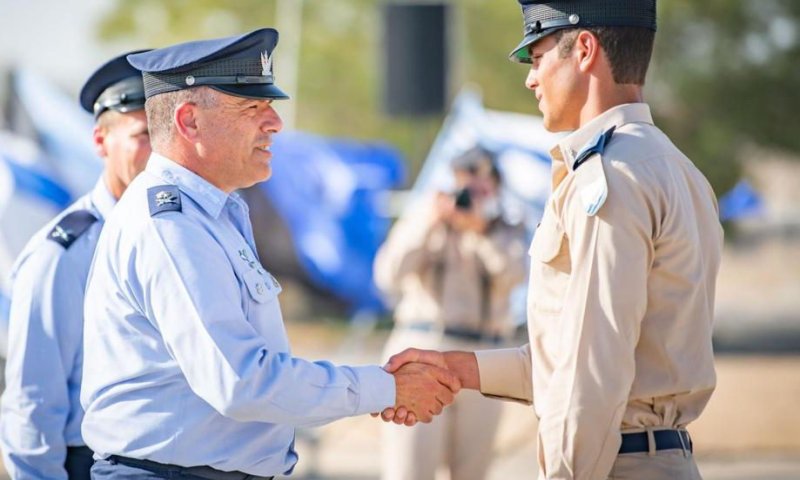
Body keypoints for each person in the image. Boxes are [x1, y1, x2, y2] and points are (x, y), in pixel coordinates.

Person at [79, 28, 459, 479]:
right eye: (251, 108)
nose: (274, 123)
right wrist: (387, 388)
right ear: (189, 121)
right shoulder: (172, 226)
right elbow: (242, 382)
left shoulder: (211, 213)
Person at [383, 1, 724, 479]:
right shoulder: (676, 169)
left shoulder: (611, 177)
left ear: (583, 49)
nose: (531, 78)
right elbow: (569, 360)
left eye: (538, 56)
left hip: (611, 463)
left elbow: (593, 374)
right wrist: (454, 367)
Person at [0, 51, 152, 479]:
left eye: (166, 134)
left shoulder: (184, 235)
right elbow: (32, 404)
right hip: (91, 462)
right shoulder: (65, 251)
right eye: (143, 135)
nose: (159, 152)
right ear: (101, 142)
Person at [375, 146, 527, 480]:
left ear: (496, 189)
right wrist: (431, 221)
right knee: (410, 469)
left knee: (473, 471)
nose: (470, 195)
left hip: (485, 357)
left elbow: (515, 275)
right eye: (464, 185)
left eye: (481, 188)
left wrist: (480, 230)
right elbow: (388, 274)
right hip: (424, 347)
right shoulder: (425, 218)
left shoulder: (506, 228)